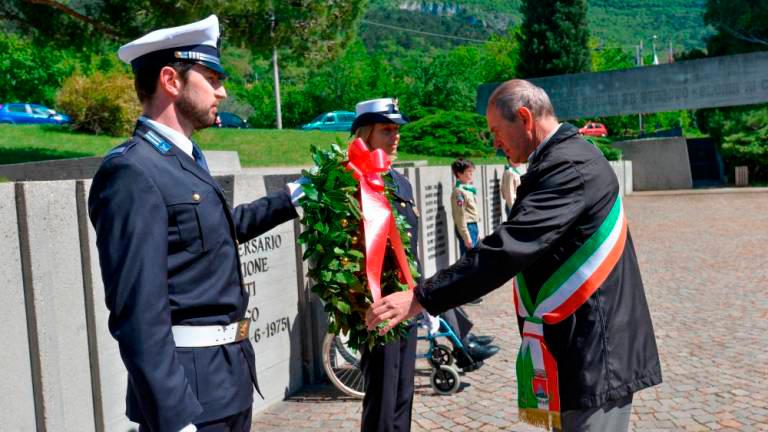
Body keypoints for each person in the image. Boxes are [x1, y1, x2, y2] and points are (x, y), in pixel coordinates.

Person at [366, 79, 662, 432]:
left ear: (524, 118)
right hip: (582, 347)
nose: (494, 142)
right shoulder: (560, 158)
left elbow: (509, 248)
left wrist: (421, 297)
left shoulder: (568, 166)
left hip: (597, 353)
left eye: (496, 131)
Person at [88, 16, 299, 432]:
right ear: (171, 80)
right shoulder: (132, 171)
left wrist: (292, 199)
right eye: (212, 78)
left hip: (228, 380)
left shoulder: (183, 160)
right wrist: (173, 418)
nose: (222, 91)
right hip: (187, 396)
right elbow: (138, 313)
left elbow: (217, 232)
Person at [351, 98, 497, 431]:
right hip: (378, 306)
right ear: (365, 133)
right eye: (386, 130)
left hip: (407, 301)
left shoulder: (399, 182)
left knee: (403, 393)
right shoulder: (352, 180)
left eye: (397, 130)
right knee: (382, 397)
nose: (395, 137)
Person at [450, 158, 480, 256]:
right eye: (469, 171)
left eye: (472, 171)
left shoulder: (468, 189)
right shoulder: (459, 192)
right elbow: (460, 216)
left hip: (472, 226)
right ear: (459, 174)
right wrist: (466, 236)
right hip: (467, 227)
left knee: (473, 256)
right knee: (468, 258)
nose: (471, 173)